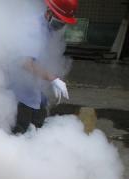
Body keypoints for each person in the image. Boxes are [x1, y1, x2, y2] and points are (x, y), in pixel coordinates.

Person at [11, 0, 78, 134]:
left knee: (37, 125)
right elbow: (25, 62)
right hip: (18, 92)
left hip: (32, 88)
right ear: (48, 12)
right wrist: (52, 78)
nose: (60, 26)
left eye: (63, 23)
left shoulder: (47, 27)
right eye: (59, 22)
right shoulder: (33, 28)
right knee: (20, 131)